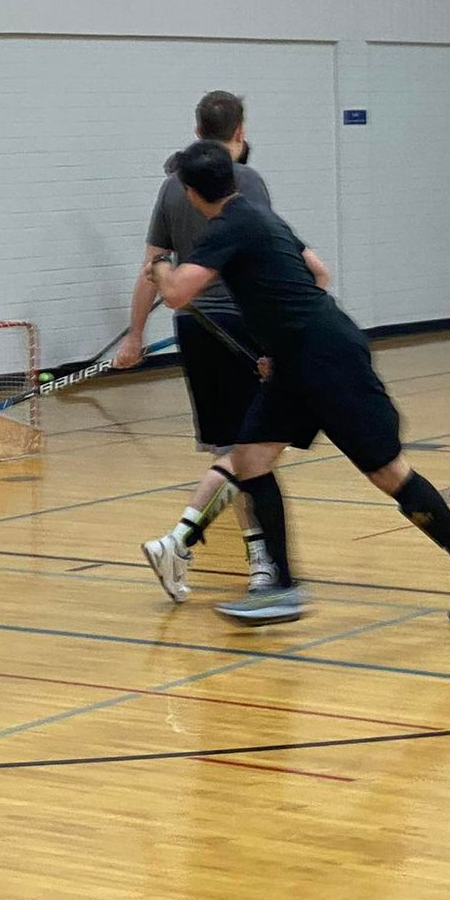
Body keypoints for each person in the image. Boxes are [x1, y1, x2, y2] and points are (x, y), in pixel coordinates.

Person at [141, 139, 450, 625]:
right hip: (296, 362)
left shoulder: (230, 225)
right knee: (250, 459)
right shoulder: (256, 216)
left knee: (387, 474)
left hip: (330, 362)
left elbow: (179, 295)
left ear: (191, 193)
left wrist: (160, 264)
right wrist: (280, 343)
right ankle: (283, 589)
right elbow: (317, 273)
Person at [116, 90, 330, 593]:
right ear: (240, 131)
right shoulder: (247, 181)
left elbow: (151, 268)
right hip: (244, 327)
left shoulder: (173, 186)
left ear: (197, 131)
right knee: (249, 452)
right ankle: (209, 548)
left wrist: (136, 333)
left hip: (193, 327)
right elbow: (274, 256)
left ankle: (246, 555)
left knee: (236, 448)